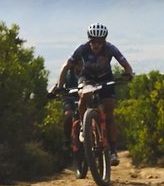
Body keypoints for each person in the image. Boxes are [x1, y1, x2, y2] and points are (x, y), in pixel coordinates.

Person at [55, 23, 134, 167]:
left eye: (99, 42)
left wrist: (128, 73)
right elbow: (66, 66)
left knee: (109, 113)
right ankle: (83, 128)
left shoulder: (110, 48)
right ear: (89, 40)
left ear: (104, 41)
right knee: (85, 94)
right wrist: (60, 86)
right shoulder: (82, 49)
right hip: (87, 78)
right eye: (93, 41)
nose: (96, 45)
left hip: (106, 78)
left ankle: (113, 150)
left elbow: (125, 64)